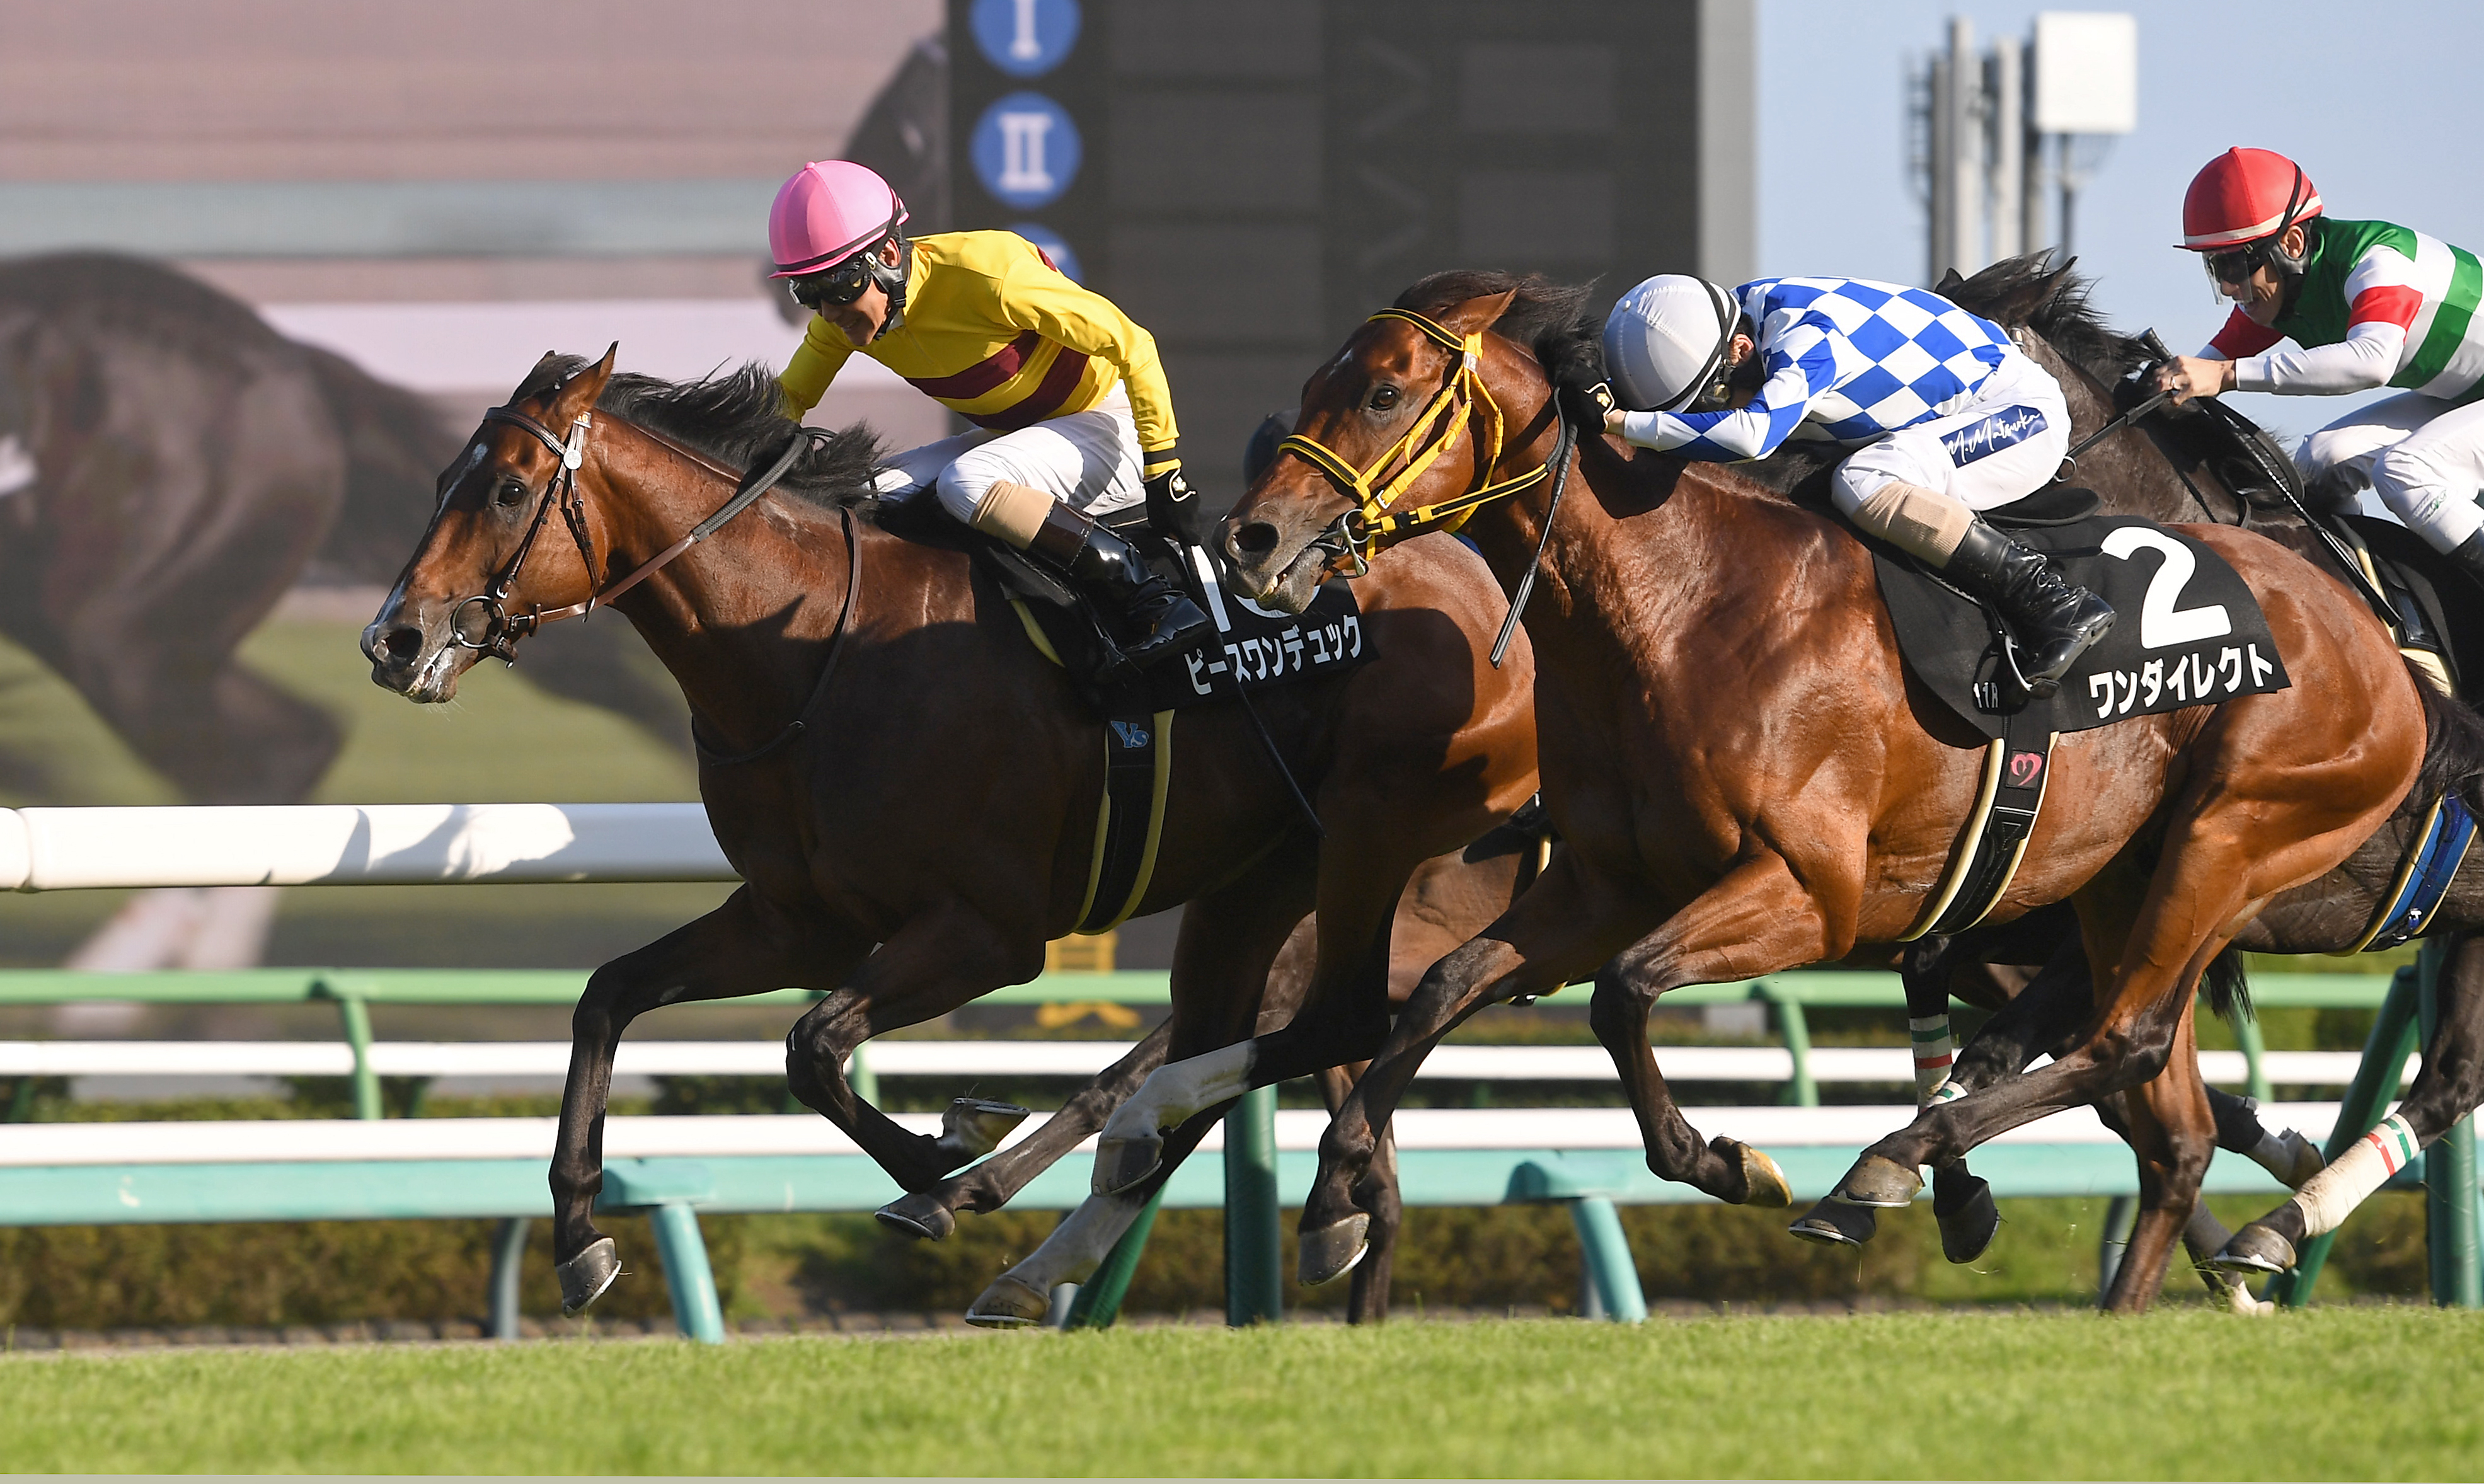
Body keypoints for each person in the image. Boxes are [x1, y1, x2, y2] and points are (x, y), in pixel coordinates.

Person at [1575, 273, 2113, 694]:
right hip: (1954, 403)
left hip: (2020, 416)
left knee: (1863, 480)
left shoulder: (1805, 336)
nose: (1716, 410)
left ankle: (2054, 601)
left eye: (1713, 399)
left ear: (1739, 351)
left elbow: (1752, 437)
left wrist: (1622, 424)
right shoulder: (1733, 317)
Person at [769, 159, 1207, 665]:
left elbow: (1132, 344)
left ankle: (1151, 597)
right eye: (809, 292)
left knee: (966, 481)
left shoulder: (989, 275)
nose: (829, 312)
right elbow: (788, 401)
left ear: (888, 254)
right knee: (870, 493)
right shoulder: (843, 321)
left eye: (839, 286)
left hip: (1113, 430)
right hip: (1025, 438)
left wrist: (1164, 467)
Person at [2154, 147, 2484, 589]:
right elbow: (2200, 370)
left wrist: (2231, 375)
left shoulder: (2378, 262)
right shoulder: (2279, 290)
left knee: (2406, 470)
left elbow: (2371, 362)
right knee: (2319, 461)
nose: (2230, 286)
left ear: (2291, 244)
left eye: (2234, 264)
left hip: (2464, 397)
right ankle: (2369, 601)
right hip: (2464, 396)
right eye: (2216, 268)